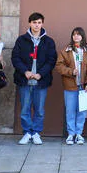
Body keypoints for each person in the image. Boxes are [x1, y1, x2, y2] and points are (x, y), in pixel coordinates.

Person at [12, 12, 57, 145]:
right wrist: (25, 71)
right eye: (34, 22)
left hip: (41, 81)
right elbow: (15, 58)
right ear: (30, 23)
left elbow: (51, 60)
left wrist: (41, 74)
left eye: (39, 22)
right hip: (24, 80)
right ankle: (27, 132)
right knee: (25, 108)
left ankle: (36, 132)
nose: (36, 25)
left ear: (42, 23)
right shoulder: (21, 40)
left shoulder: (49, 41)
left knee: (39, 109)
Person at [56, 27, 87, 145]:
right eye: (74, 34)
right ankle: (71, 134)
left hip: (84, 87)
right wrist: (70, 71)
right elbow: (59, 66)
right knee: (70, 110)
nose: (76, 37)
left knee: (82, 111)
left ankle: (79, 133)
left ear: (83, 36)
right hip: (70, 86)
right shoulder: (66, 51)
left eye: (79, 35)